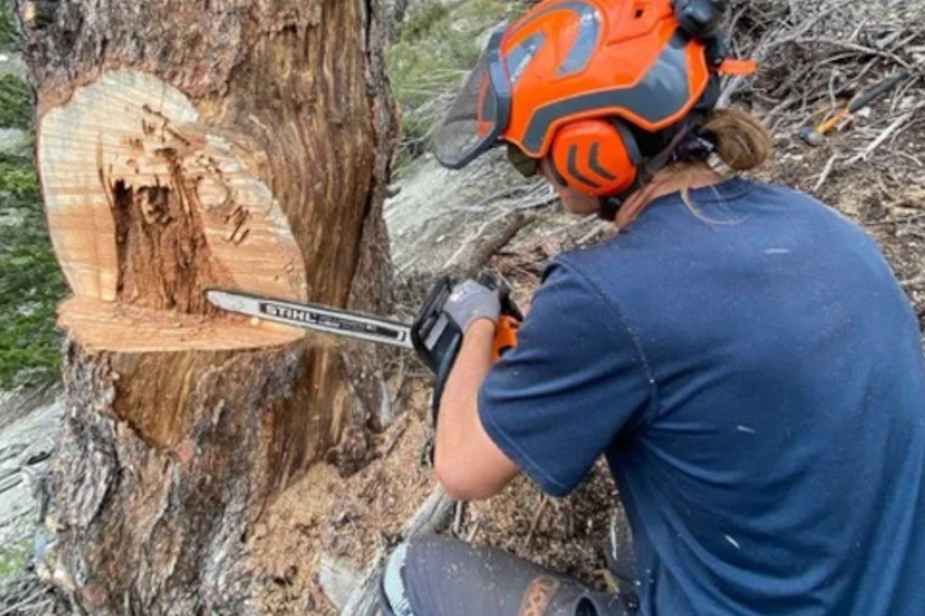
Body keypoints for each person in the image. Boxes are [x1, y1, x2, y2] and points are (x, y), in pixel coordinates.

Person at [378, 0, 925, 614]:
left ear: (593, 146)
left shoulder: (603, 295)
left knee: (412, 572)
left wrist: (475, 320)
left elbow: (463, 470)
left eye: (532, 156)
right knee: (629, 544)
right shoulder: (827, 230)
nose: (536, 173)